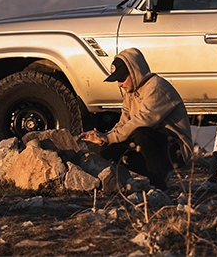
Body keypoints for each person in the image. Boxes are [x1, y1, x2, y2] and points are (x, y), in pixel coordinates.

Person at [79, 47, 193, 190]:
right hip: (154, 147)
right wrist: (103, 138)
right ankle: (157, 173)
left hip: (175, 149)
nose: (119, 84)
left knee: (141, 133)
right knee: (107, 151)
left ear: (134, 72)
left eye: (121, 78)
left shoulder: (156, 87)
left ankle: (158, 185)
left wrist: (109, 138)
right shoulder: (130, 93)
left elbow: (142, 120)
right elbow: (123, 123)